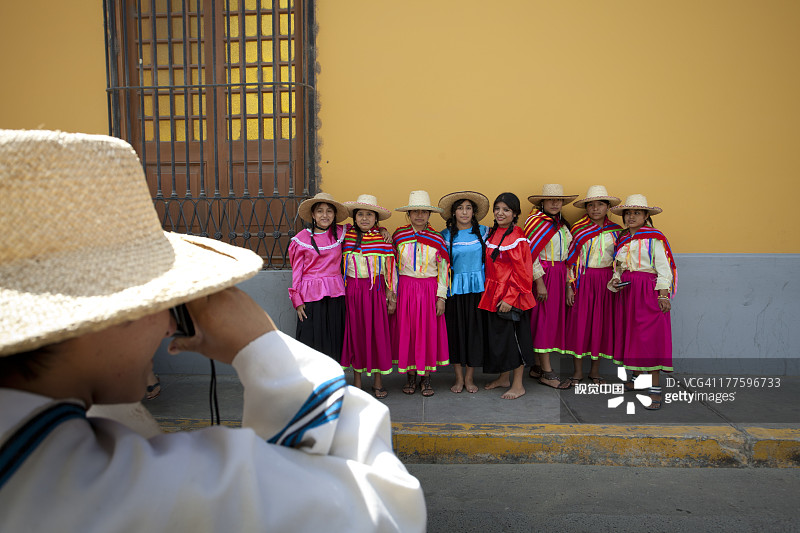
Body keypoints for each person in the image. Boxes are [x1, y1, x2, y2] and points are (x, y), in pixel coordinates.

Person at [0, 129, 426, 532]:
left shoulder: (56, 449)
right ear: (97, 318)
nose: (170, 321)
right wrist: (260, 341)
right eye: (157, 301)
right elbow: (383, 508)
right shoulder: (141, 486)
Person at [607, 194, 677, 411]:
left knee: (650, 337)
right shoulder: (622, 238)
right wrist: (616, 279)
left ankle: (655, 388)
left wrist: (663, 295)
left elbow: (664, 269)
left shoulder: (654, 238)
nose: (631, 217)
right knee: (632, 333)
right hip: (628, 291)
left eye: (636, 213)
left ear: (646, 216)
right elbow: (618, 266)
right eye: (628, 213)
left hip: (648, 290)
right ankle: (637, 379)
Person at [478, 193, 538, 399]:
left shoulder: (518, 238)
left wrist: (510, 298)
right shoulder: (493, 234)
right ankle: (504, 378)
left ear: (515, 214)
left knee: (515, 340)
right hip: (493, 293)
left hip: (511, 296)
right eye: (497, 209)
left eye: (506, 210)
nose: (500, 213)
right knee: (501, 338)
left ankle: (518, 385)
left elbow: (524, 273)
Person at [392, 190, 450, 397]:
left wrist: (441, 297)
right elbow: (392, 267)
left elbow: (444, 270)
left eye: (423, 212)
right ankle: (410, 376)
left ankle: (426, 378)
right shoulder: (399, 236)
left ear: (429, 214)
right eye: (414, 211)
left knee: (427, 332)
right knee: (408, 331)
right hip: (406, 289)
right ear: (408, 214)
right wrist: (393, 294)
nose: (419, 215)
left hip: (428, 290)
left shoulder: (437, 238)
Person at [564, 185, 622, 385]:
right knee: (580, 325)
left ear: (607, 207)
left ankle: (595, 371)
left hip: (606, 283)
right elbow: (570, 260)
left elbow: (621, 261)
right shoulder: (578, 230)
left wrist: (616, 278)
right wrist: (569, 286)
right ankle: (578, 372)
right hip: (583, 280)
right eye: (591, 205)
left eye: (600, 205)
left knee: (600, 325)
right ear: (586, 208)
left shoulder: (617, 232)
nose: (595, 209)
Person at [340, 194, 396, 399]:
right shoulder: (345, 237)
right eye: (360, 214)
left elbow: (391, 271)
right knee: (356, 335)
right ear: (354, 218)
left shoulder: (383, 239)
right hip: (353, 292)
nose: (364, 218)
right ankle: (357, 381)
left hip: (377, 291)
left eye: (369, 215)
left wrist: (391, 296)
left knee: (377, 334)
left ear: (376, 218)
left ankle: (378, 381)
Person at [523, 184, 577, 389]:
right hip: (543, 276)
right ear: (542, 202)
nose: (555, 203)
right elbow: (530, 255)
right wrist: (539, 282)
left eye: (559, 200)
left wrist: (569, 285)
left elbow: (569, 259)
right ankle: (547, 371)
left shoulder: (563, 226)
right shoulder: (535, 223)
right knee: (542, 322)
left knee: (550, 322)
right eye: (551, 200)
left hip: (560, 275)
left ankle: (537, 366)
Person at [438, 191, 490, 394]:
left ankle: (470, 378)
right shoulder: (446, 235)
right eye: (460, 208)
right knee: (456, 334)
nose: (464, 212)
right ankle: (458, 378)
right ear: (453, 212)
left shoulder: (485, 232)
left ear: (474, 212)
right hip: (454, 292)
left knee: (474, 334)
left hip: (478, 290)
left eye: (468, 208)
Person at [288, 192, 349, 361]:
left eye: (329, 211)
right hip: (310, 296)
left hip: (336, 294)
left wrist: (381, 229)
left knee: (334, 337)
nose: (325, 215)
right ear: (313, 215)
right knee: (311, 338)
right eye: (320, 211)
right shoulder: (301, 239)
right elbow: (297, 272)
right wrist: (297, 301)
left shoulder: (341, 232)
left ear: (335, 215)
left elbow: (363, 227)